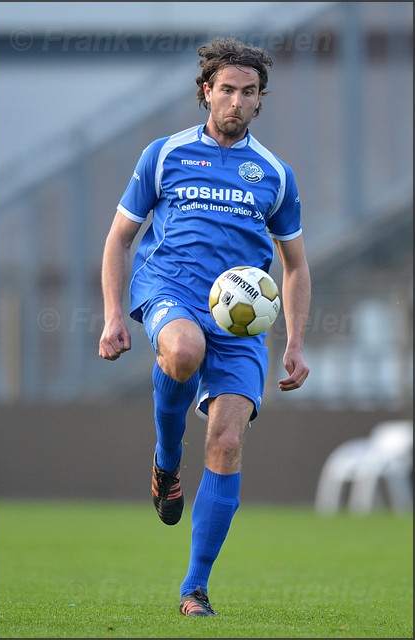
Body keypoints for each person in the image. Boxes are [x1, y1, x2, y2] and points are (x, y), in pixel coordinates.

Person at [99, 38, 310, 617]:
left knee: (227, 441)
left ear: (260, 99)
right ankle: (168, 458)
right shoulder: (164, 154)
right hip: (170, 291)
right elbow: (120, 239)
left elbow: (294, 265)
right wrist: (115, 316)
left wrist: (293, 341)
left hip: (241, 322)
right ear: (205, 92)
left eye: (248, 92)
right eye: (226, 90)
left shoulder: (274, 174)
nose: (236, 101)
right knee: (184, 349)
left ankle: (195, 588)